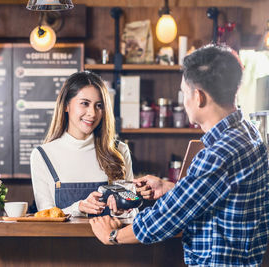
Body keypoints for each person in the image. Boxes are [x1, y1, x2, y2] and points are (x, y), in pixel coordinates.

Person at [90, 44, 269, 266]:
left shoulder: (217, 154)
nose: (184, 101)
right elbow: (223, 194)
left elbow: (166, 218)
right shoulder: (250, 133)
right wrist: (170, 188)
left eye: (184, 93)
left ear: (198, 97)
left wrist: (113, 236)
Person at [30, 71, 133, 217]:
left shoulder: (119, 150)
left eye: (99, 106)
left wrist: (122, 211)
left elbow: (133, 212)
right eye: (85, 103)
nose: (92, 113)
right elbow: (45, 215)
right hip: (61, 240)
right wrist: (78, 207)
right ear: (66, 105)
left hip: (110, 239)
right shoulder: (42, 155)